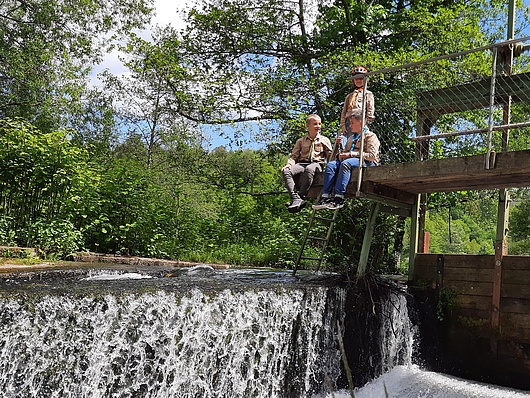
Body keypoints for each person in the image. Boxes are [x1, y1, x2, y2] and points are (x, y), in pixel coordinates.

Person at [312, 109, 380, 210]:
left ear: (360, 122)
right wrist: (340, 152)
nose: (350, 126)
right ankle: (325, 196)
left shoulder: (370, 136)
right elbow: (345, 152)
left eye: (352, 123)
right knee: (331, 165)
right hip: (351, 161)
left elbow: (372, 155)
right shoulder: (351, 138)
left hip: (367, 162)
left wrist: (350, 154)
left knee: (345, 163)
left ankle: (339, 197)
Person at [281, 114, 332, 213]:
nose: (318, 126)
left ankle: (301, 196)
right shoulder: (301, 141)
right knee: (286, 171)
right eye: (315, 124)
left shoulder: (324, 140)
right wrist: (289, 164)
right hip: (302, 164)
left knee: (310, 169)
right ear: (308, 126)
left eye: (319, 124)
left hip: (317, 164)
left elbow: (330, 156)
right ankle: (295, 197)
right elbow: (294, 156)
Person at [340, 66, 375, 136]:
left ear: (365, 80)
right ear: (353, 80)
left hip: (361, 122)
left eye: (361, 78)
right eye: (356, 79)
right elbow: (344, 112)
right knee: (350, 142)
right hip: (349, 122)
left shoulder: (368, 94)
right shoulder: (349, 96)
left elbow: (370, 109)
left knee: (360, 142)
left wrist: (366, 122)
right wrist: (343, 125)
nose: (358, 81)